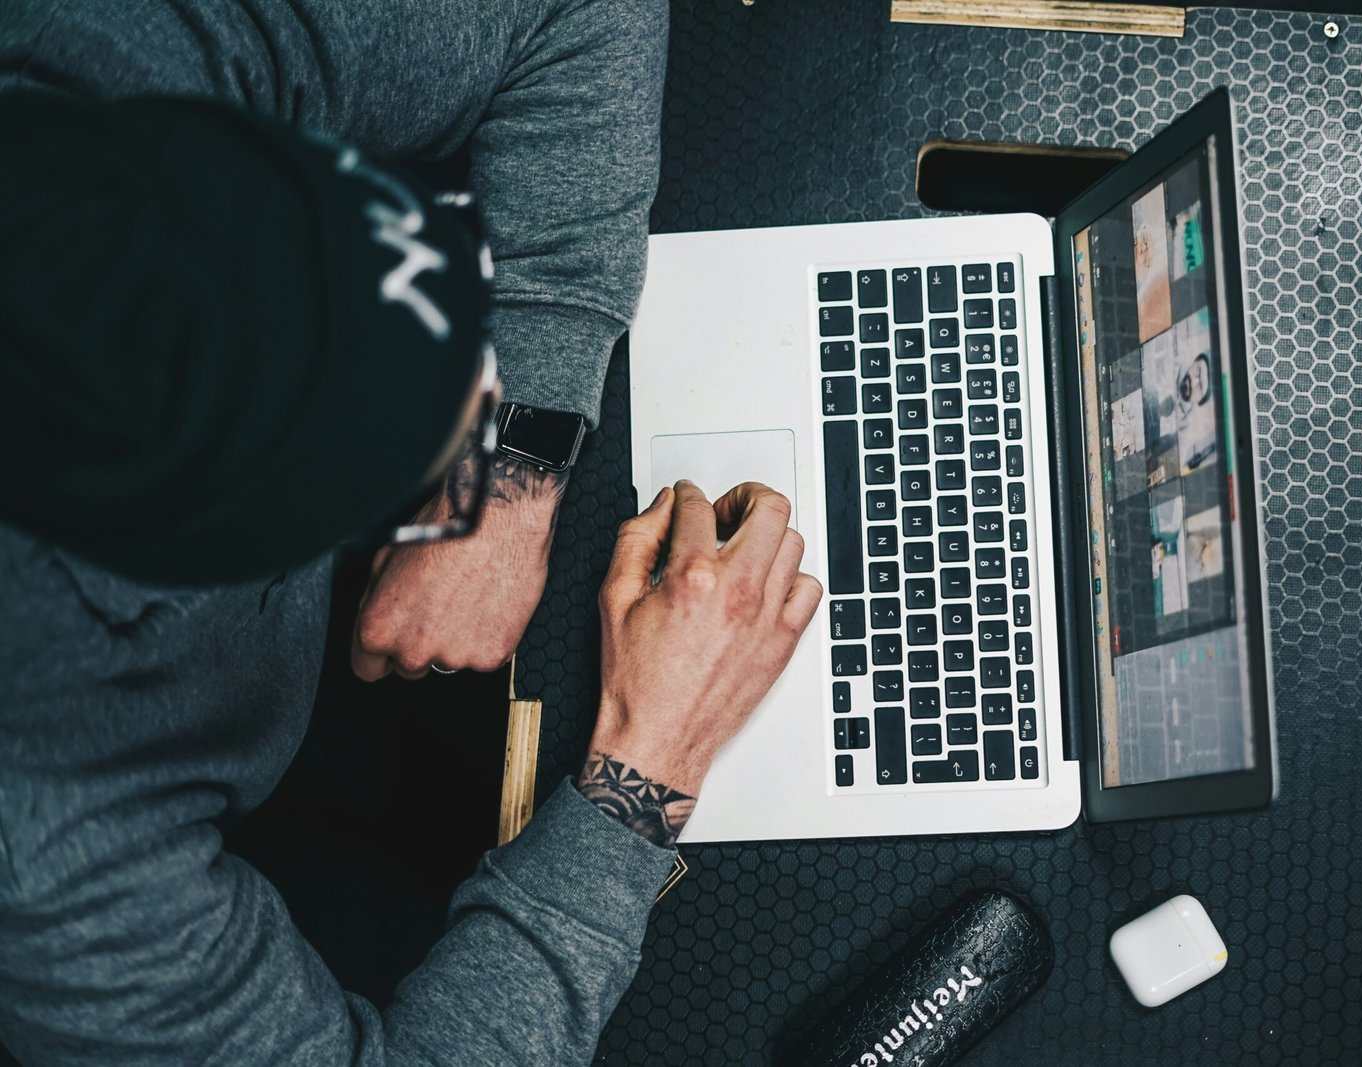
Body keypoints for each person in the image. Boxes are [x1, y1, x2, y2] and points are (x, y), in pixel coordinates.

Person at [0, 22, 822, 1067]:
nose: (474, 418)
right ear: (193, 557)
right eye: (393, 452)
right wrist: (643, 764)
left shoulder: (112, 45)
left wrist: (509, 479)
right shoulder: (52, 870)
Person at [0, 0, 669, 681]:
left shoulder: (162, 38)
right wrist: (648, 752)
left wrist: (505, 486)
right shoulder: (48, 741)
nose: (483, 395)